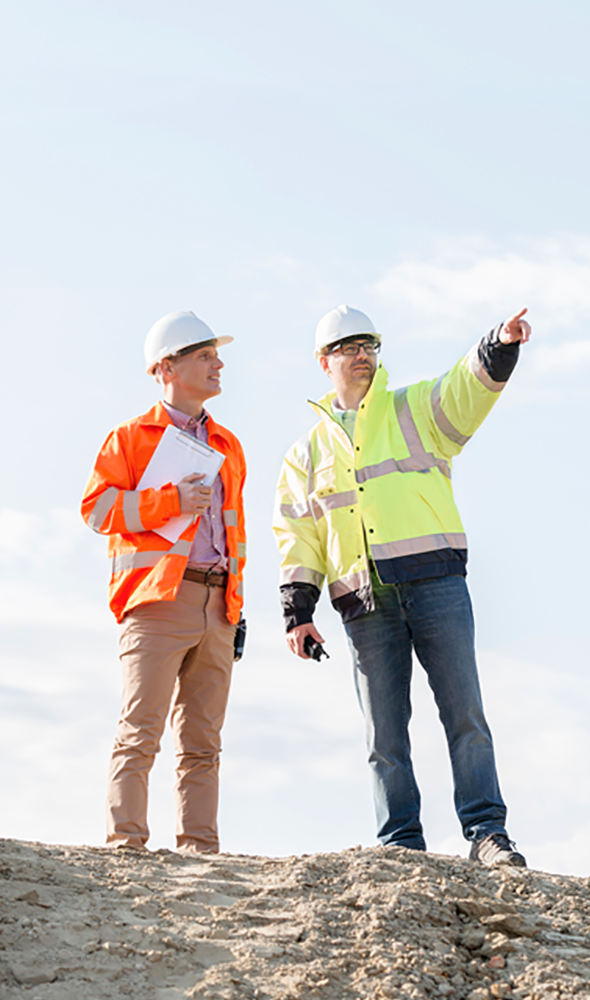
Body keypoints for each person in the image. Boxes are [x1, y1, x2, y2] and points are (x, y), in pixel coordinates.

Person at [273, 304, 531, 866]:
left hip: (435, 583)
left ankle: (487, 833)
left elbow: (465, 389)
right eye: (349, 348)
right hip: (364, 604)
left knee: (465, 714)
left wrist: (498, 344)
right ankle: (400, 844)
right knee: (384, 736)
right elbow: (297, 533)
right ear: (324, 362)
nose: (362, 356)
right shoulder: (305, 455)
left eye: (370, 346)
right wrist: (298, 610)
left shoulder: (414, 409)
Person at [81, 310, 247, 853]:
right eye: (204, 356)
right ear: (165, 368)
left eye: (215, 355)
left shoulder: (229, 444)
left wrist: (234, 606)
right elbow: (98, 509)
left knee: (204, 742)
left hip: (217, 604)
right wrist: (170, 501)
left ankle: (200, 849)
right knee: (141, 731)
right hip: (156, 602)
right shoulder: (129, 438)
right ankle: (125, 844)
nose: (218, 364)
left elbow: (234, 533)